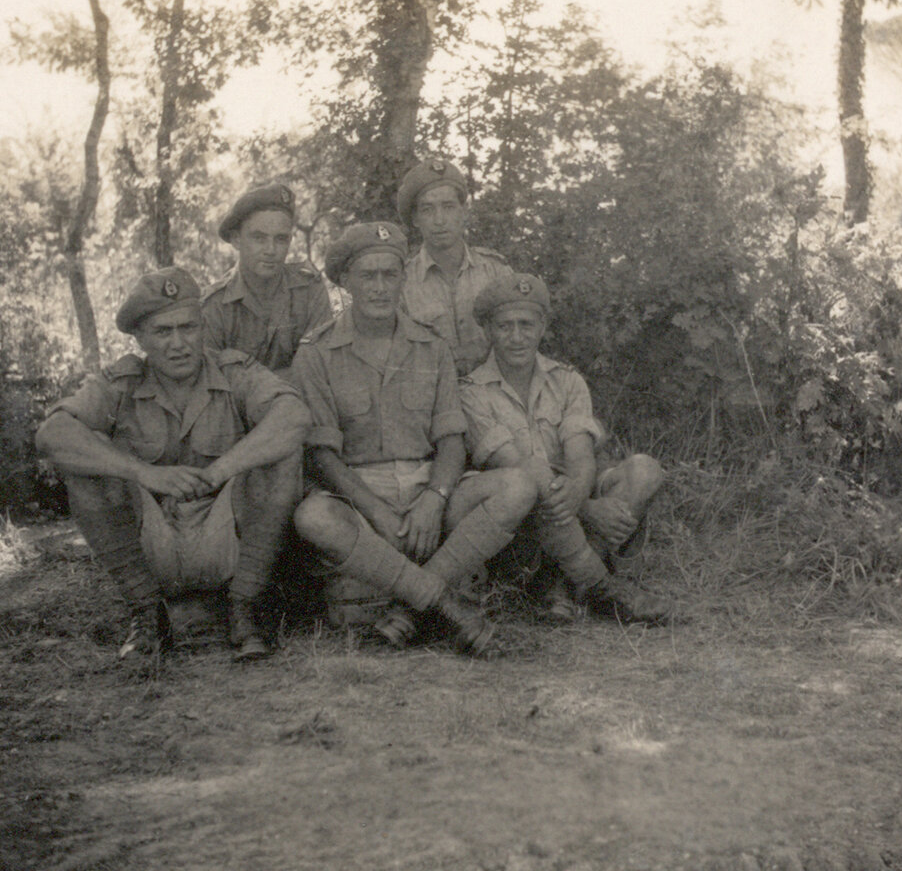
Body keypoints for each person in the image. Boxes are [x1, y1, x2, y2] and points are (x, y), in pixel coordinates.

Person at [35, 267, 311, 663]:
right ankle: (146, 614)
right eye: (163, 332)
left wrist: (220, 471)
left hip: (228, 536)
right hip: (151, 540)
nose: (179, 344)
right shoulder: (121, 381)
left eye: (188, 328)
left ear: (203, 327)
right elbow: (52, 434)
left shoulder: (234, 371)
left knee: (279, 451)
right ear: (140, 339)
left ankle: (245, 607)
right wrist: (145, 473)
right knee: (88, 458)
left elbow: (294, 416)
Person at [290, 222, 537, 656]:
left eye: (391, 274)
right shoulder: (316, 352)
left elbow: (451, 440)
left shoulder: (431, 346)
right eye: (369, 276)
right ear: (345, 281)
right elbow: (323, 455)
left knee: (518, 485)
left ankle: (407, 606)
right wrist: (375, 509)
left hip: (429, 488)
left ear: (403, 278)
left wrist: (436, 497)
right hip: (361, 496)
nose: (381, 288)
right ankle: (440, 602)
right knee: (312, 517)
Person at [460, 272, 675, 624]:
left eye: (526, 325)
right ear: (488, 330)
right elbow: (519, 467)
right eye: (504, 326)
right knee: (531, 486)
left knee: (645, 470)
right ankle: (600, 586)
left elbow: (580, 455)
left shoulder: (567, 379)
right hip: (522, 520)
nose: (517, 337)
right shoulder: (472, 392)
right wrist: (589, 510)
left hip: (567, 502)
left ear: (543, 326)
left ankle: (556, 583)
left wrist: (580, 494)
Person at [202, 182, 334, 376]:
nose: (271, 250)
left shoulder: (309, 290)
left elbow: (320, 368)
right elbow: (213, 382)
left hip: (302, 402)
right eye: (259, 238)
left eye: (281, 239)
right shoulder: (214, 305)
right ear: (237, 240)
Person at [398, 158, 514, 376]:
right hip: (430, 400)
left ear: (464, 211)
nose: (439, 220)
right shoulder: (402, 283)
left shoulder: (496, 272)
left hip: (493, 396)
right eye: (427, 209)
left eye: (449, 207)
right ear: (415, 219)